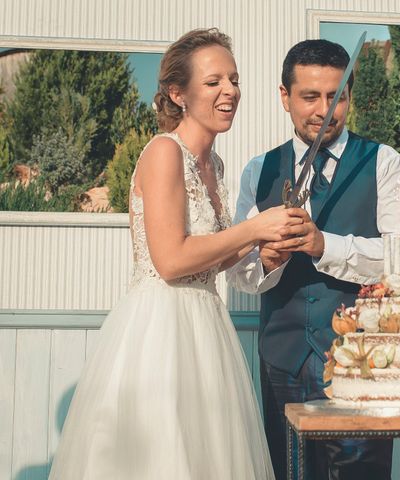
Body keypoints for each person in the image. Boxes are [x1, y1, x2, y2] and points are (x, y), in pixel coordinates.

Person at [49, 28, 305, 479]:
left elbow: (215, 257)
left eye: (234, 79)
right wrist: (254, 227)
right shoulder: (165, 152)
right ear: (177, 93)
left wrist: (267, 247)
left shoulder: (215, 164)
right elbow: (170, 260)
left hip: (207, 327)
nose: (230, 91)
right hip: (161, 331)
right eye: (213, 83)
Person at [227, 39, 400, 480]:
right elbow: (239, 275)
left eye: (336, 97)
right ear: (285, 97)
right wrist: (268, 261)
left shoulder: (384, 163)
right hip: (282, 360)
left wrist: (324, 246)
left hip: (364, 364)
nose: (324, 110)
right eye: (310, 96)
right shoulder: (259, 171)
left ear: (349, 97)